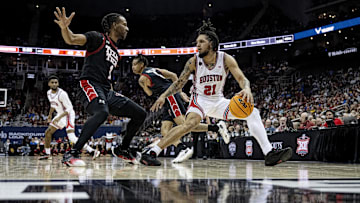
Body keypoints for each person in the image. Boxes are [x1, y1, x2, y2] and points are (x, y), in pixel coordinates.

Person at [141, 19, 292, 166]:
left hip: (218, 101)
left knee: (253, 112)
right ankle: (153, 152)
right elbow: (179, 82)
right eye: (196, 42)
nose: (197, 45)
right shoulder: (193, 61)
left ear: (211, 44)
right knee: (190, 124)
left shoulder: (226, 59)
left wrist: (246, 88)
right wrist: (163, 95)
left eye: (201, 42)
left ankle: (269, 153)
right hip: (199, 100)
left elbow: (241, 78)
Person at [54, 7, 146, 166]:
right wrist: (65, 28)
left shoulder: (116, 52)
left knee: (140, 113)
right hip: (89, 83)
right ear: (114, 25)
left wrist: (110, 93)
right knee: (102, 112)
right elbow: (72, 39)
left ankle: (122, 149)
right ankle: (72, 153)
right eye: (124, 24)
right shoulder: (98, 38)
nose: (127, 28)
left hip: (106, 90)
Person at [131, 54, 230, 163]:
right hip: (169, 99)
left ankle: (215, 128)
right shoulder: (155, 70)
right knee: (165, 131)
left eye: (135, 64)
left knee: (185, 125)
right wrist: (180, 92)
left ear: (142, 65)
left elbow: (149, 93)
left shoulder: (142, 79)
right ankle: (182, 148)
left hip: (170, 97)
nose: (133, 67)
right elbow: (173, 76)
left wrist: (146, 87)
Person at [39, 75, 99, 160]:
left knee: (72, 137)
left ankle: (92, 151)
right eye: (52, 82)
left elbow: (69, 108)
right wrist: (50, 115)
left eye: (56, 82)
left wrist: (58, 118)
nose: (54, 84)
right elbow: (53, 105)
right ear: (49, 84)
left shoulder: (62, 94)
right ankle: (48, 154)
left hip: (68, 115)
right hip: (60, 114)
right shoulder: (49, 93)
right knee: (48, 132)